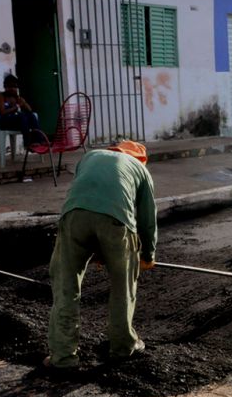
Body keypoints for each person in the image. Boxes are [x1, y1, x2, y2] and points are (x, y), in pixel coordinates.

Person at [45, 140, 157, 370]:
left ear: (116, 150)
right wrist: (147, 254)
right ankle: (122, 347)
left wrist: (96, 248)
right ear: (140, 159)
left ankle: (63, 356)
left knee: (66, 286)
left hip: (73, 217)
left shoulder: (91, 156)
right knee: (122, 287)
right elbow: (147, 219)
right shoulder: (141, 171)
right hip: (117, 223)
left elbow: (90, 196)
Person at [0, 74, 42, 146]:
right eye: (10, 86)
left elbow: (30, 110)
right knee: (22, 116)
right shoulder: (0, 96)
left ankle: (38, 140)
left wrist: (23, 102)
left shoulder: (14, 97)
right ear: (5, 87)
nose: (13, 89)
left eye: (15, 87)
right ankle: (27, 143)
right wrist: (17, 106)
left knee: (31, 116)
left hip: (9, 122)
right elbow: (2, 112)